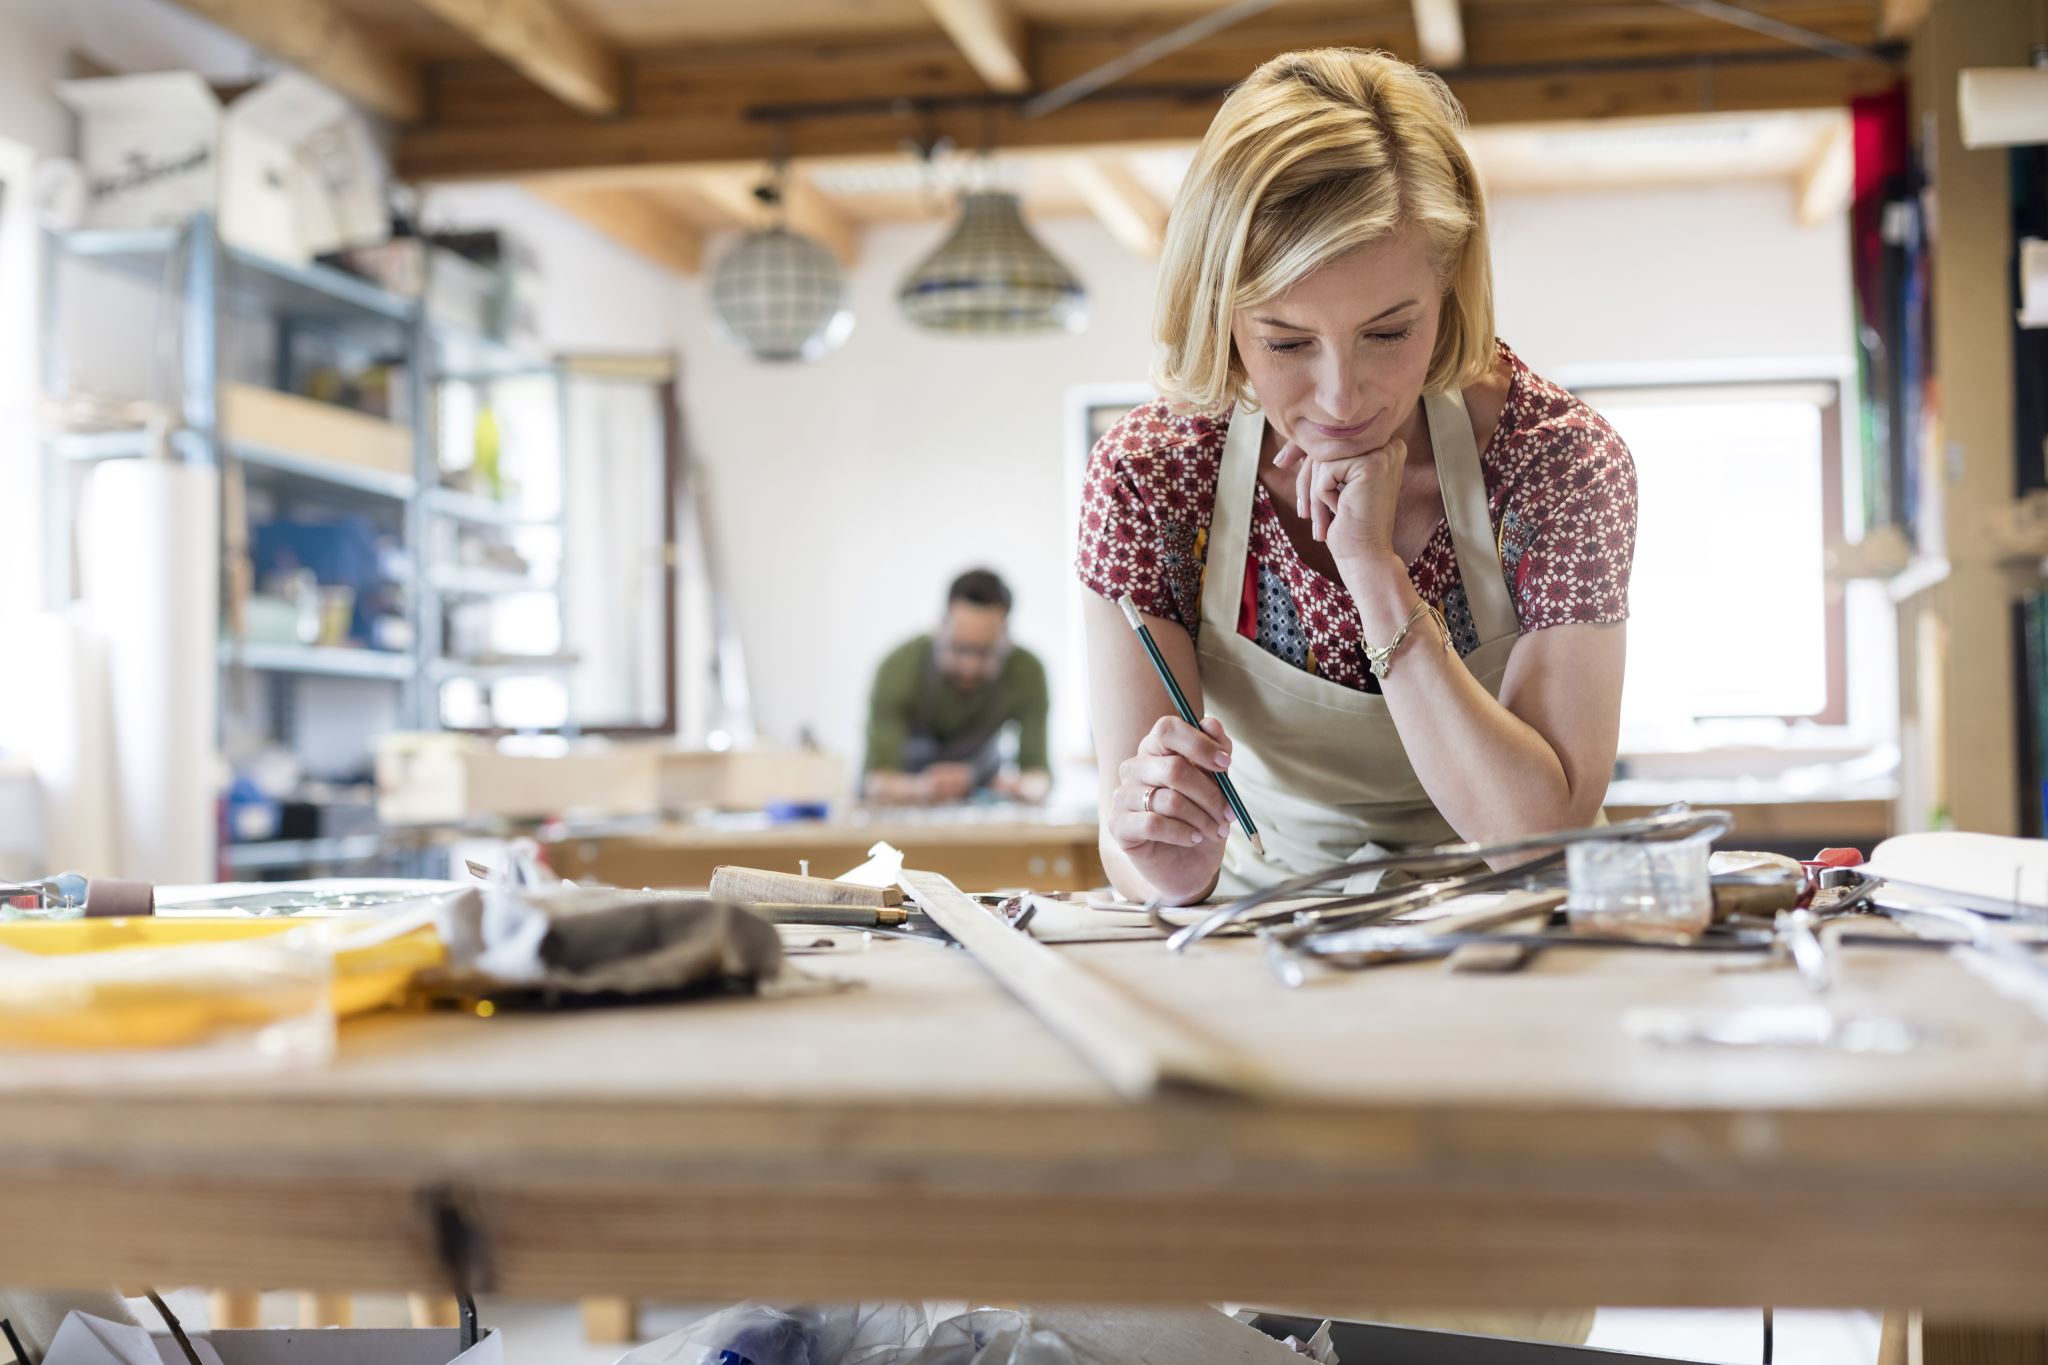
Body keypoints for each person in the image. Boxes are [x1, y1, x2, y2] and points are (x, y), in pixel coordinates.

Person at [1078, 48, 1638, 910]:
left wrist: (1375, 572)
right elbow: (1128, 830)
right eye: (1286, 341)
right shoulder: (1153, 477)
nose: (1342, 398)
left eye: (1387, 333)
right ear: (1220, 314)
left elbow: (1544, 841)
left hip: (1515, 926)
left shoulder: (1556, 463)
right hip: (1263, 926)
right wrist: (1166, 856)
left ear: (1447, 291)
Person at [864, 569, 1052, 805]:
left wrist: (1019, 788)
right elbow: (876, 780)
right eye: (959, 648)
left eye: (985, 652)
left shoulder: (1027, 672)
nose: (969, 667)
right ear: (940, 627)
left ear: (1005, 639)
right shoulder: (898, 669)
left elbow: (1038, 776)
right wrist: (921, 788)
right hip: (907, 805)